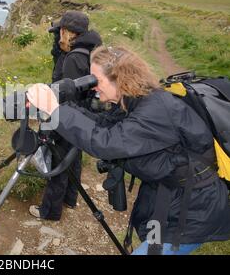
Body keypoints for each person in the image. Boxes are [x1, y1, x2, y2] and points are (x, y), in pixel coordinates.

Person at [27, 46, 230, 255]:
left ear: (120, 79)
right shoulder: (137, 99)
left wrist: (56, 111)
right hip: (172, 197)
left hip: (194, 211)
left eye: (97, 80)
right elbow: (104, 124)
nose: (94, 86)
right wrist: (62, 107)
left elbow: (105, 142)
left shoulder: (155, 110)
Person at [29, 11, 102, 221]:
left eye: (59, 31)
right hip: (83, 117)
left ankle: (50, 211)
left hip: (67, 116)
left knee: (58, 162)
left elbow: (65, 93)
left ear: (65, 31)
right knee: (74, 157)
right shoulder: (89, 51)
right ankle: (70, 198)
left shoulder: (73, 59)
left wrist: (53, 117)